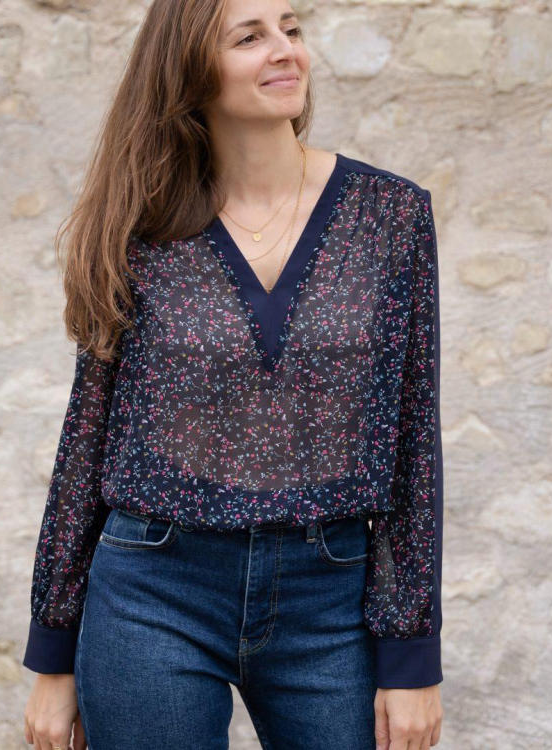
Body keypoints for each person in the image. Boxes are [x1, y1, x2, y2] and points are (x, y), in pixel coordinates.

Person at [22, 0, 444, 748]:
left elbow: (413, 438)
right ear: (190, 69)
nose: (285, 50)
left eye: (291, 28)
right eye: (250, 37)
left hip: (331, 598)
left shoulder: (390, 215)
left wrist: (412, 655)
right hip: (153, 591)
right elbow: (88, 433)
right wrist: (53, 653)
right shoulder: (143, 225)